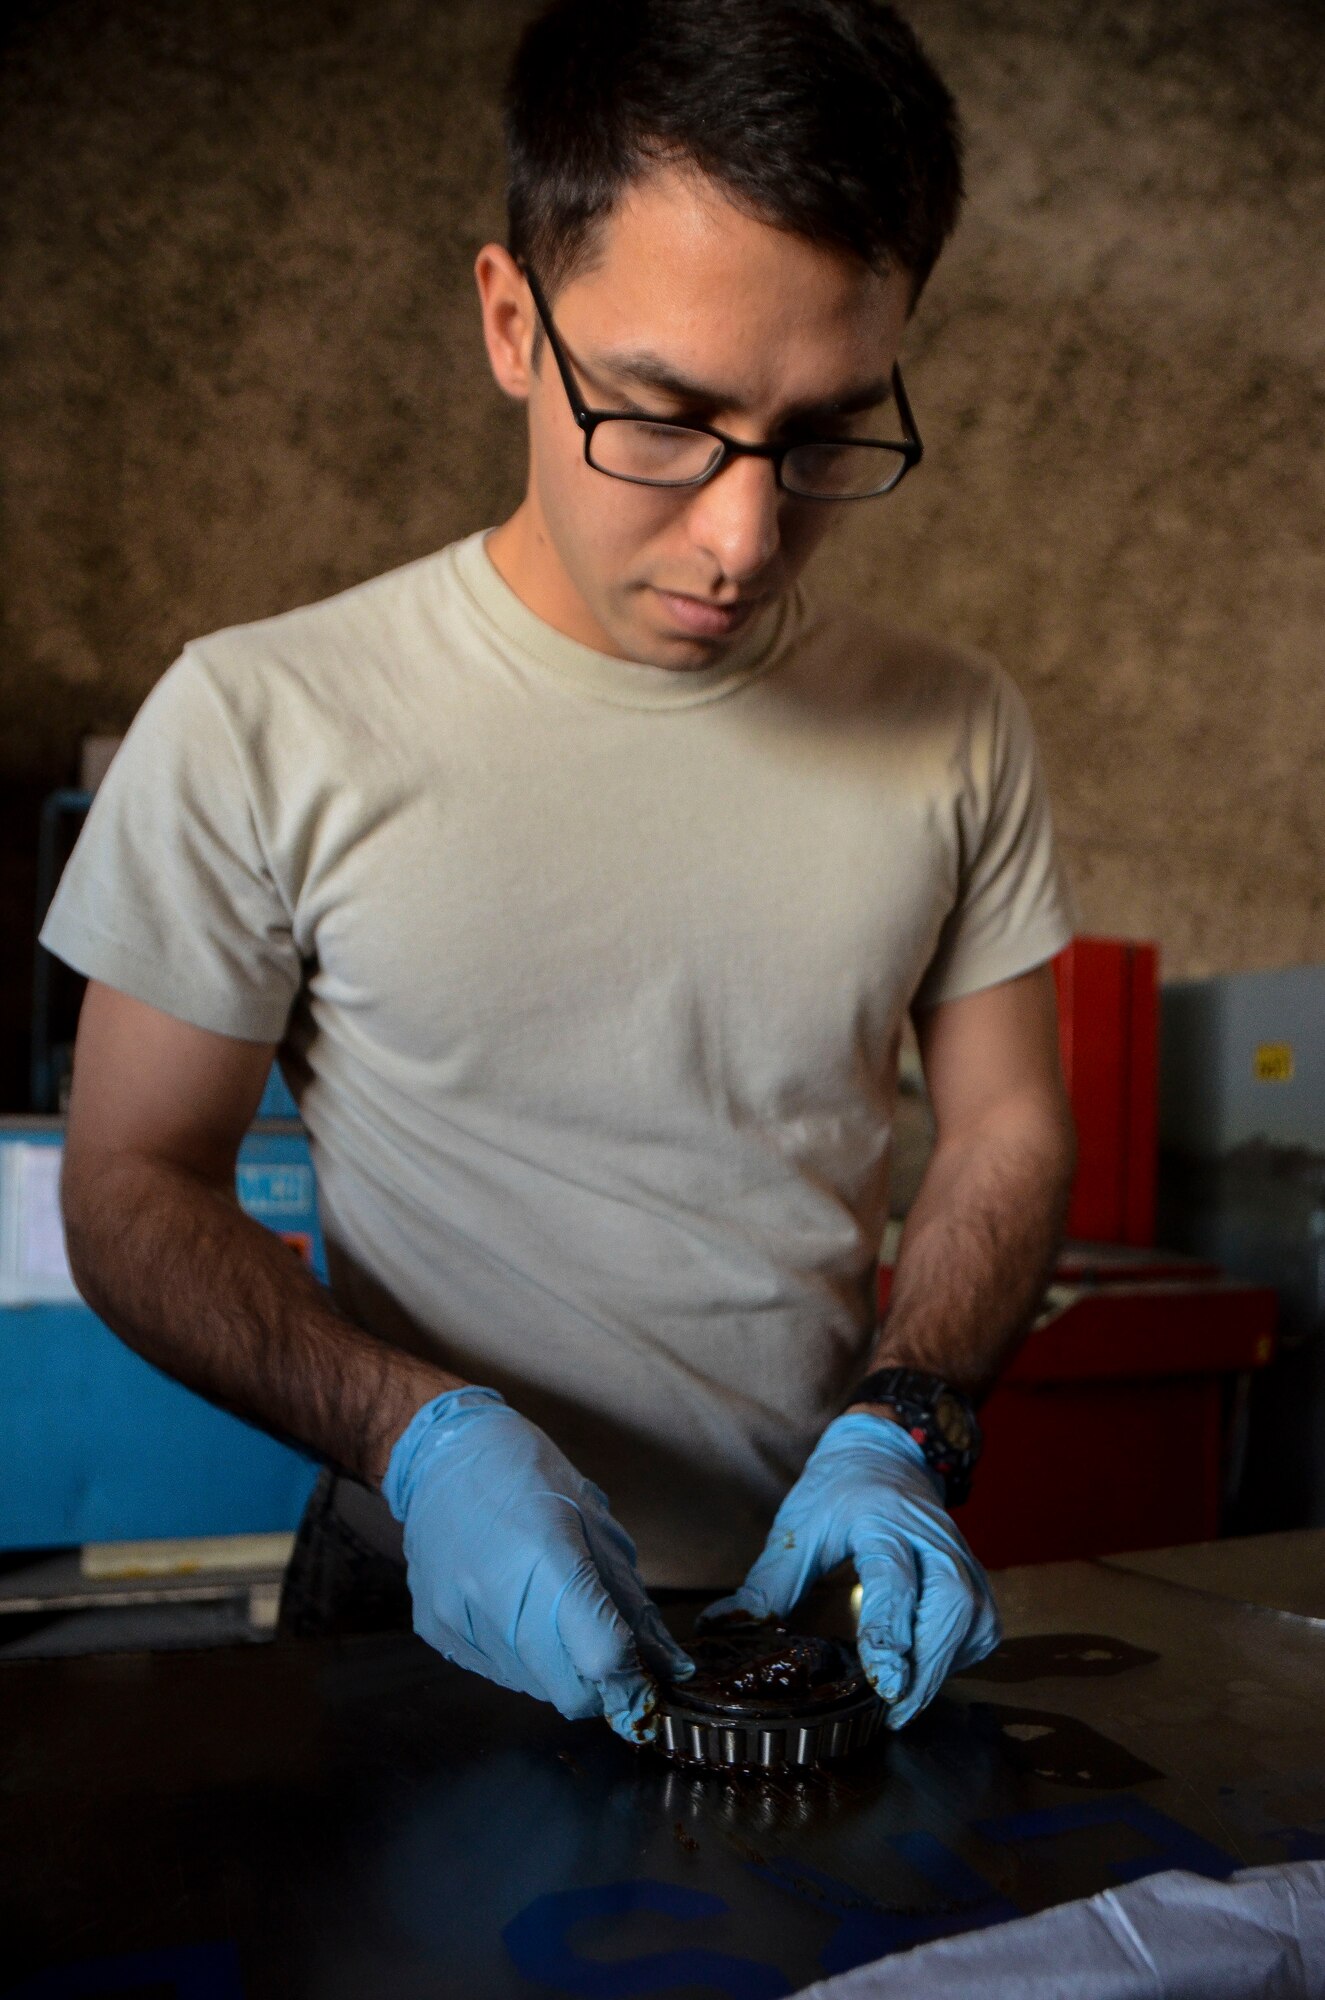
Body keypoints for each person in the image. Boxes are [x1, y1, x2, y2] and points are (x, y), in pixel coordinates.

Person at [43, 0, 1077, 1745]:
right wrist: (415, 1436)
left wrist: (909, 1423)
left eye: (825, 434)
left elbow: (1005, 1128)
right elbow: (132, 1186)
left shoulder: (955, 726)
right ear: (513, 323)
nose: (742, 539)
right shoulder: (260, 715)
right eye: (665, 418)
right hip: (414, 1591)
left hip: (812, 1601)